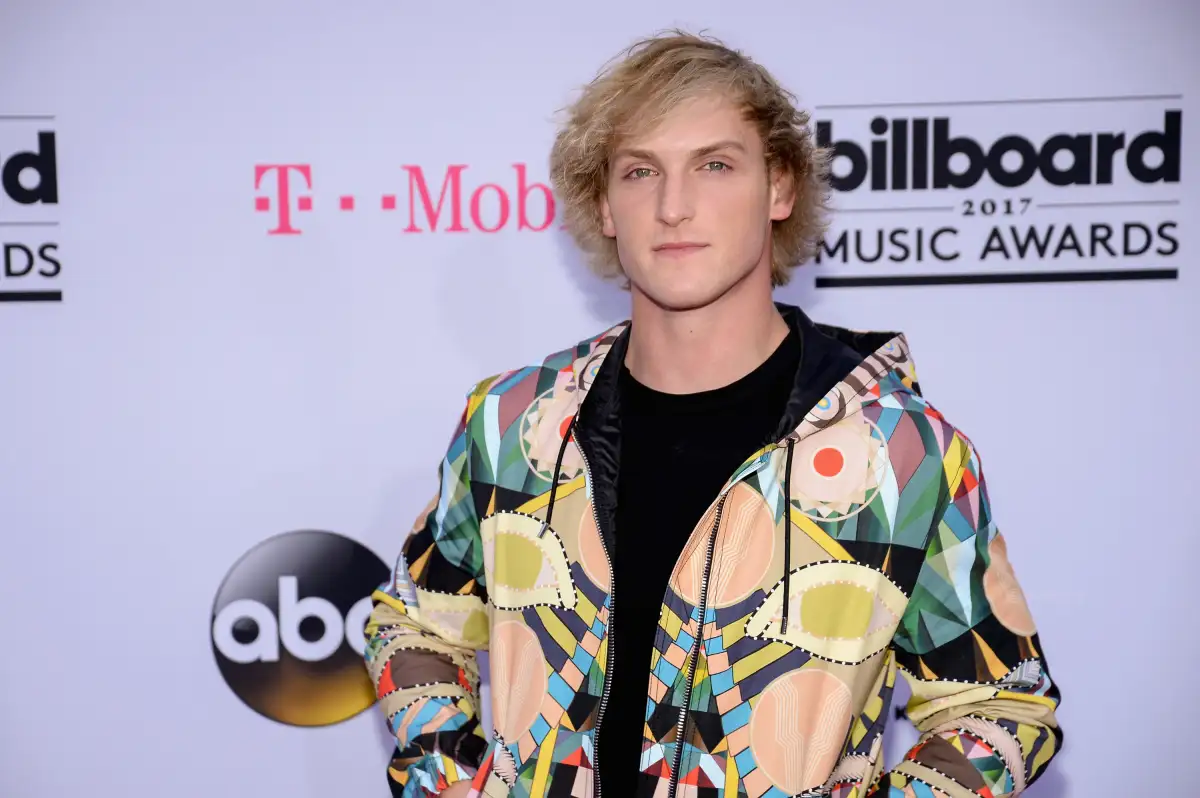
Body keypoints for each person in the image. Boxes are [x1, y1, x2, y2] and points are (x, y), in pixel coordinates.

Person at [364, 31, 1063, 798]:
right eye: (640, 171)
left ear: (780, 188)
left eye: (715, 165)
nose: (673, 207)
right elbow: (414, 622)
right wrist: (445, 778)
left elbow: (1001, 703)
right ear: (604, 204)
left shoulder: (902, 455)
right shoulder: (514, 425)